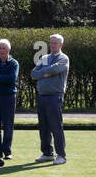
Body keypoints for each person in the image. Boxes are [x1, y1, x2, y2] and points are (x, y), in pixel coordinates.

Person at [30, 33, 69, 164]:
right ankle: (47, 153)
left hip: (55, 96)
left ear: (61, 45)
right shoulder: (45, 57)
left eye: (55, 43)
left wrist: (45, 72)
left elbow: (55, 69)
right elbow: (34, 73)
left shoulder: (64, 58)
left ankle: (61, 156)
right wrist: (46, 73)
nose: (52, 45)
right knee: (44, 126)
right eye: (51, 43)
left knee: (56, 126)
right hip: (42, 96)